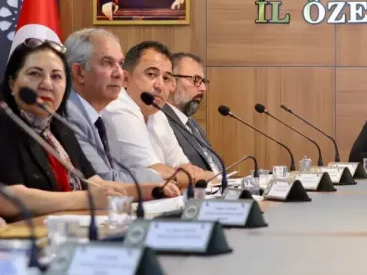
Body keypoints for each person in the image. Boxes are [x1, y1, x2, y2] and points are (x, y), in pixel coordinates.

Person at [0, 39, 178, 220]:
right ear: (12, 83)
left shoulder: (59, 127)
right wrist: (87, 199)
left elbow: (95, 184)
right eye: (34, 74)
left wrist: (148, 190)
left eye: (56, 76)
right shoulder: (5, 124)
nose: (47, 84)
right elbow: (8, 198)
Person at [101, 41, 213, 187]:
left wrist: (184, 175)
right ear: (125, 79)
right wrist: (183, 176)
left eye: (166, 78)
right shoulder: (118, 108)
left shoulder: (157, 113)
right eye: (151, 74)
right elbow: (153, 173)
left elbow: (185, 166)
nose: (160, 86)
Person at [64, 29, 162, 183]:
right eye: (107, 63)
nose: (119, 73)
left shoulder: (97, 115)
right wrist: (158, 176)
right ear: (80, 72)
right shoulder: (69, 115)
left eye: (120, 64)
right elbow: (105, 182)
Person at [162, 52, 222, 173]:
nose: (203, 88)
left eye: (203, 81)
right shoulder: (161, 120)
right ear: (172, 81)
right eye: (196, 79)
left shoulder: (191, 123)